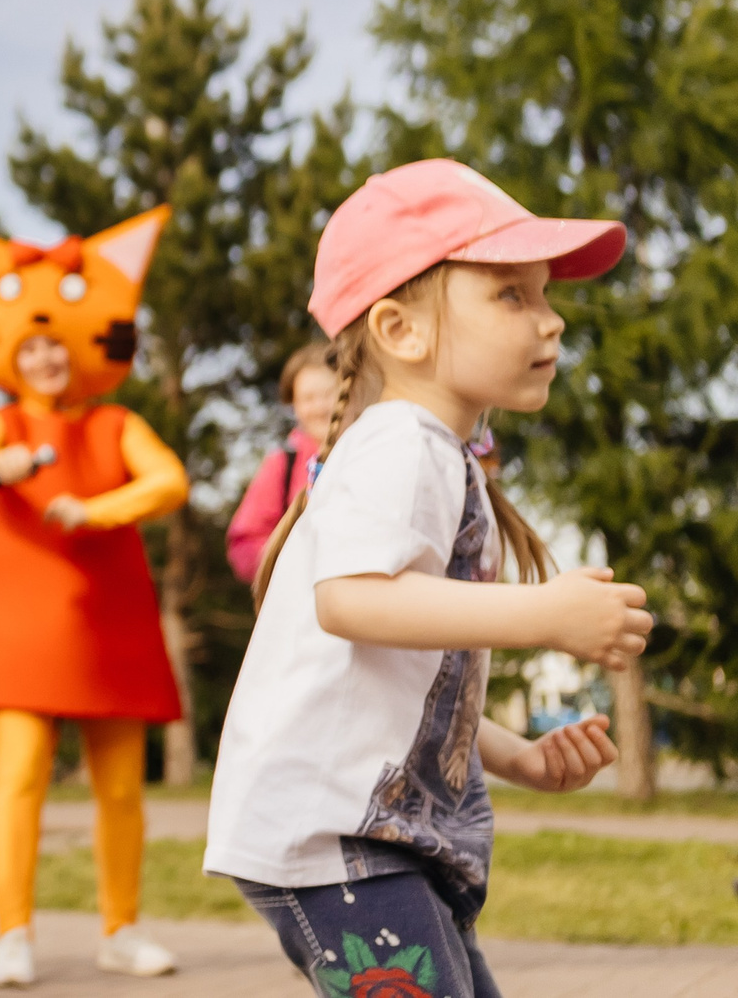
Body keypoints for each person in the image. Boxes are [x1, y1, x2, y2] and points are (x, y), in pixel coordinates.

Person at [207, 161, 652, 998]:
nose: (551, 322)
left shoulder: (433, 457)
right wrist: (545, 612)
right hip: (336, 840)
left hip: (370, 839)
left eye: (546, 294)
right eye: (512, 295)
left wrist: (515, 755)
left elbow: (404, 671)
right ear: (399, 328)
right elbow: (351, 601)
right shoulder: (401, 443)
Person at [0, 206, 186, 987]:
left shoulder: (116, 422)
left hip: (109, 614)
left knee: (121, 782)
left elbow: (168, 480)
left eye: (54, 347)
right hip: (21, 617)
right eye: (29, 349)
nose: (44, 359)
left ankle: (122, 927)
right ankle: (13, 933)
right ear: (12, 355)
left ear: (73, 353)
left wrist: (94, 510)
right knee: (20, 771)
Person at [225, 341, 336, 585]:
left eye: (330, 394)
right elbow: (245, 542)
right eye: (308, 398)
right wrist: (290, 565)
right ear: (293, 404)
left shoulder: (372, 450)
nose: (320, 407)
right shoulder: (282, 461)